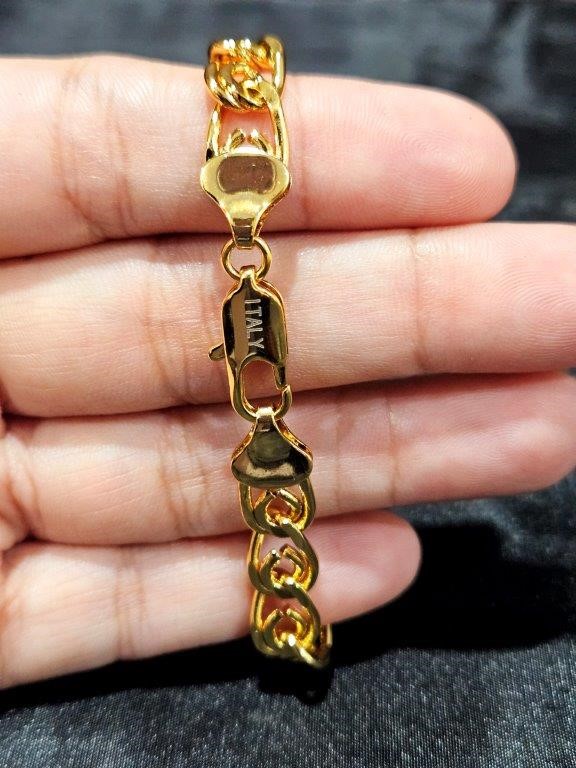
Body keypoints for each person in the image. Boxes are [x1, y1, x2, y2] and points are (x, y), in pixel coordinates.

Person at [0, 54, 574, 689]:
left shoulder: (253, 293)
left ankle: (287, 621)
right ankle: (286, 621)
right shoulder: (252, 294)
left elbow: (251, 337)